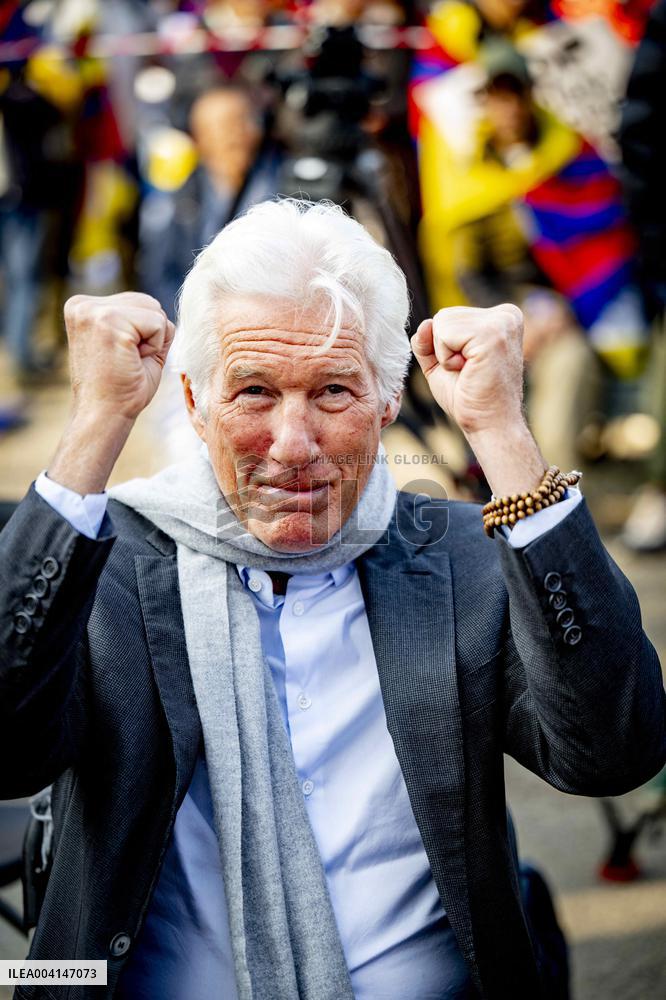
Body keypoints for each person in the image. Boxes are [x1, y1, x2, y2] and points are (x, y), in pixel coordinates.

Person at [1, 199, 664, 1000]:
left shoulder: (463, 558)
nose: (293, 444)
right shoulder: (101, 562)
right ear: (193, 401)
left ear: (388, 402)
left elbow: (613, 752)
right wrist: (94, 423)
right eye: (253, 391)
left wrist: (501, 434)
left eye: (334, 392)